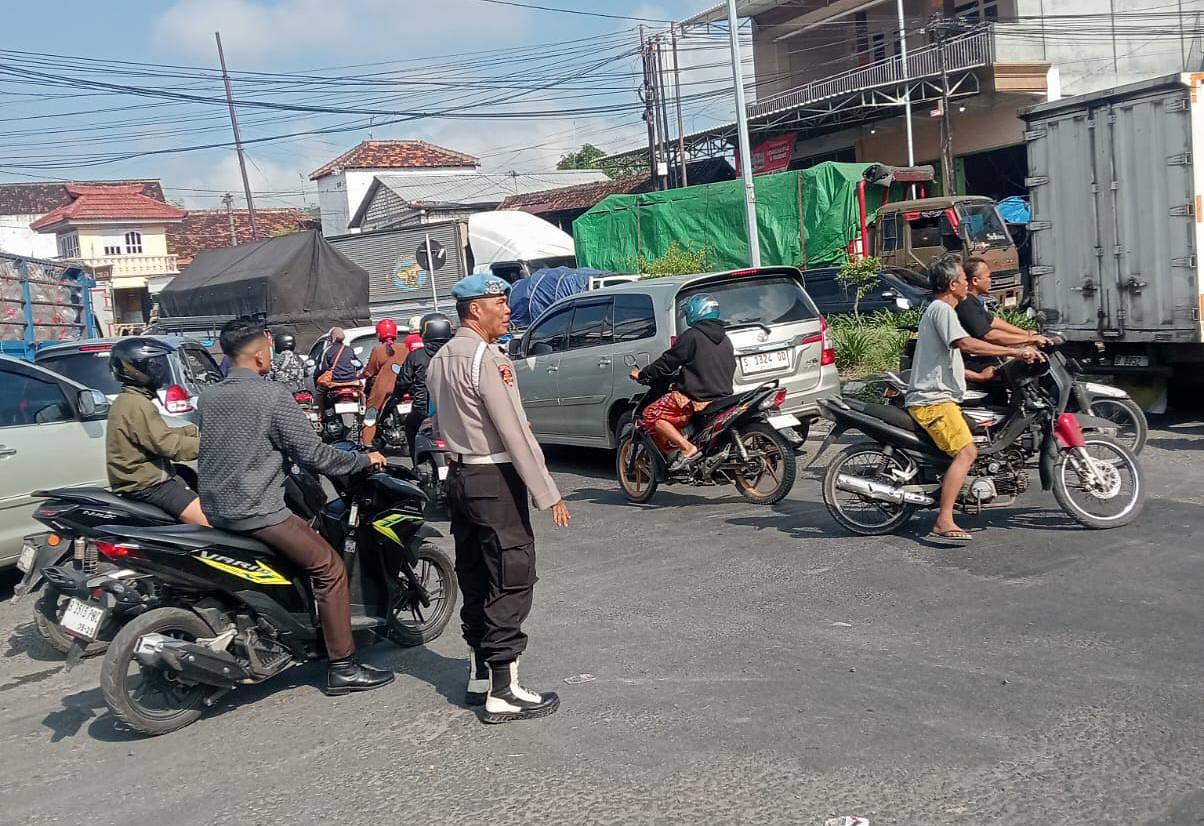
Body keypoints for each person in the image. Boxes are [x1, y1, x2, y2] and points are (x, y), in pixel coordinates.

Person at [198, 319, 394, 695]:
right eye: (267, 349)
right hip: (257, 509)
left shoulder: (208, 397)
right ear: (259, 355)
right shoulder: (271, 396)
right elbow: (315, 454)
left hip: (215, 508)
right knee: (329, 567)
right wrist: (363, 461)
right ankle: (343, 666)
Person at [427, 274, 570, 724]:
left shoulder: (440, 358)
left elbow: (434, 423)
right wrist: (547, 491)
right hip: (494, 476)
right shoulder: (485, 358)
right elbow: (514, 428)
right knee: (511, 576)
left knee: (474, 573)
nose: (507, 310)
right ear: (474, 309)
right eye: (499, 302)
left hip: (460, 477)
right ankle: (504, 692)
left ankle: (479, 674)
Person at [906, 255, 1043, 543]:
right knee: (967, 452)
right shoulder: (942, 310)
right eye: (964, 279)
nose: (968, 282)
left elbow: (951, 356)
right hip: (933, 402)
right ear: (953, 284)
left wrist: (981, 376)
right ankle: (943, 520)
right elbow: (967, 344)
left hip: (943, 397)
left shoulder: (944, 310)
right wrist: (1019, 351)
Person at [105, 337, 209, 526]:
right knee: (209, 522)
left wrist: (191, 431)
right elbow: (169, 446)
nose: (161, 371)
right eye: (155, 365)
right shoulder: (136, 404)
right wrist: (215, 444)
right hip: (150, 486)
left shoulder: (130, 400)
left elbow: (155, 435)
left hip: (148, 481)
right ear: (136, 369)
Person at [630, 294, 736, 472]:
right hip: (723, 395)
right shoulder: (724, 338)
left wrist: (643, 374)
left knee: (651, 414)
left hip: (697, 396)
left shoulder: (692, 336)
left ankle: (687, 448)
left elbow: (667, 362)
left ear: (696, 312)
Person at [394, 312, 453, 461]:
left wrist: (396, 396)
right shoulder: (457, 352)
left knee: (410, 426)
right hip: (456, 407)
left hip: (424, 410)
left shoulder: (416, 355)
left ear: (425, 332)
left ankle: (416, 462)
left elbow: (403, 382)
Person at [360, 319, 408, 447]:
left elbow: (370, 371)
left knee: (371, 413)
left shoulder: (378, 350)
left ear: (379, 334)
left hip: (384, 389)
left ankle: (367, 443)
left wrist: (362, 375)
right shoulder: (405, 347)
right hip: (405, 387)